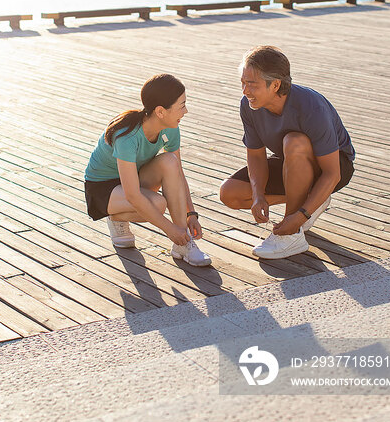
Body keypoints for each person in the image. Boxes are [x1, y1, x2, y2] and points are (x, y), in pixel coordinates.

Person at [220, 46, 355, 259]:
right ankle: (313, 199)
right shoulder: (249, 105)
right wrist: (258, 195)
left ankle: (292, 235)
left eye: (251, 84)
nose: (245, 91)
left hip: (334, 165)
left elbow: (333, 173)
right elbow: (256, 155)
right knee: (231, 193)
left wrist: (299, 217)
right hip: (290, 161)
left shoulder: (311, 106)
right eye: (243, 83)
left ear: (275, 85)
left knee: (294, 141)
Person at [84, 73, 211, 267]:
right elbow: (133, 195)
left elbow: (178, 174)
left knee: (170, 161)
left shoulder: (171, 126)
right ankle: (115, 217)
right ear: (160, 111)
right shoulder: (126, 136)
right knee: (157, 204)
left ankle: (183, 244)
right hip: (103, 188)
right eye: (182, 105)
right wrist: (170, 229)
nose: (186, 111)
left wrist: (190, 214)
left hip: (133, 177)